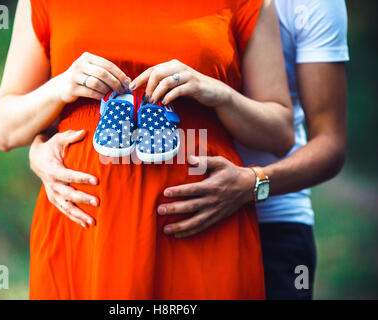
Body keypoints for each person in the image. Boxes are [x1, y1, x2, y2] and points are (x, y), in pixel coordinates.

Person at [0, 0, 294, 299]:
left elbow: (280, 134)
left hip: (201, 226)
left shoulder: (248, 3)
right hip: (85, 229)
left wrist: (218, 93)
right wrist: (61, 87)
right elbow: (4, 130)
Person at [143, 0, 349, 299]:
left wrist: (252, 184)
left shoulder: (312, 4)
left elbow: (330, 145)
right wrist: (46, 153)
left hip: (275, 223)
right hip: (180, 219)